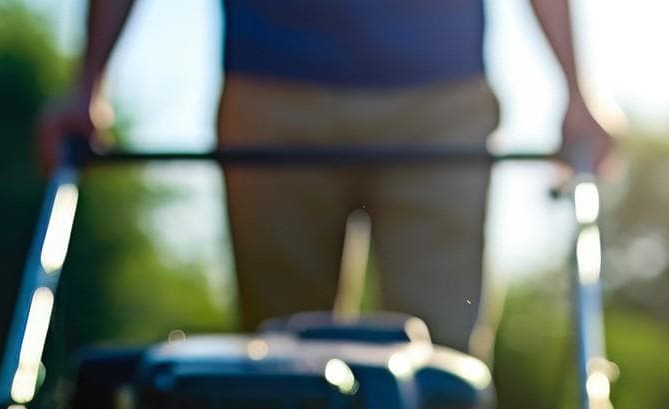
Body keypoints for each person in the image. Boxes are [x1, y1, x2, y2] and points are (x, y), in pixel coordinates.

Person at [39, 0, 617, 354]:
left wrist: (576, 87)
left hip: (439, 101)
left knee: (442, 351)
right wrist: (89, 80)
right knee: (281, 352)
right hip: (272, 93)